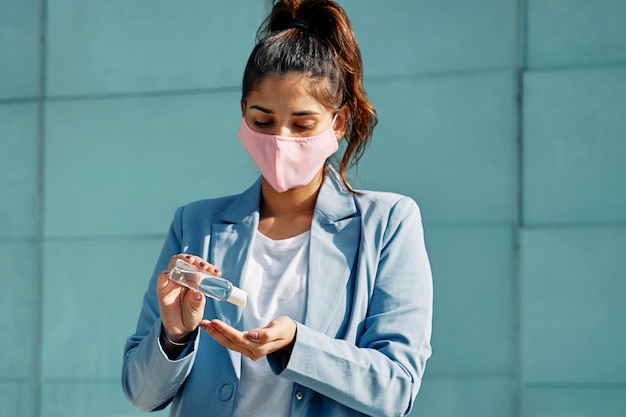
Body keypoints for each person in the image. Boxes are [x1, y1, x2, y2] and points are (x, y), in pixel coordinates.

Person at [121, 1, 432, 416]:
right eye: (263, 121)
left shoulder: (388, 223)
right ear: (243, 113)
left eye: (302, 124)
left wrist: (296, 345)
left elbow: (396, 389)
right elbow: (142, 395)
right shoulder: (196, 224)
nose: (280, 139)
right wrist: (174, 335)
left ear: (338, 123)